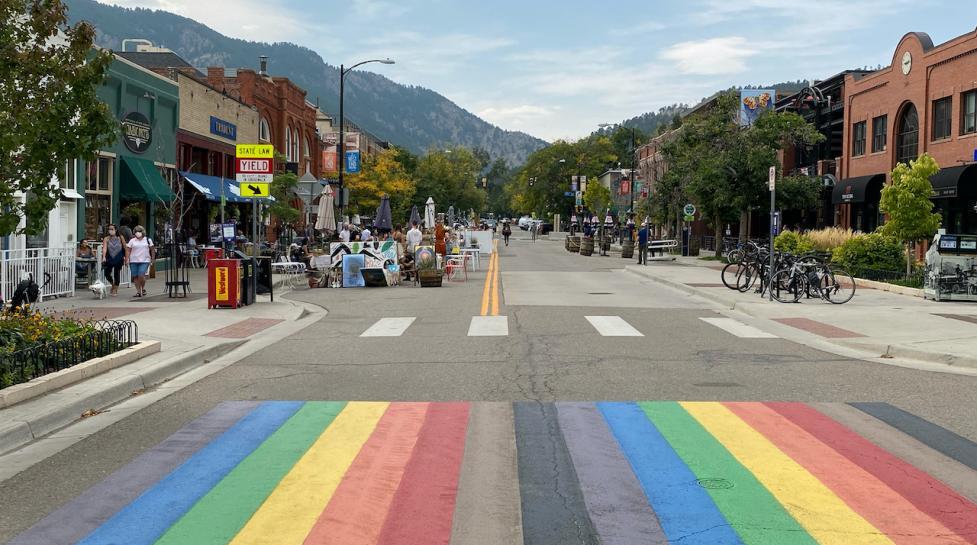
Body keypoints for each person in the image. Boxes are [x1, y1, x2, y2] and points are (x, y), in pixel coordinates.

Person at [126, 225, 155, 297]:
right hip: (133, 260)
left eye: (139, 231)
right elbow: (128, 250)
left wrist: (153, 259)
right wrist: (127, 259)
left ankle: (142, 288)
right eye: (136, 231)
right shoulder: (132, 241)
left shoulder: (148, 240)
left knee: (141, 274)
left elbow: (152, 249)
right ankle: (139, 291)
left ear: (142, 232)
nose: (137, 233)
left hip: (145, 260)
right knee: (135, 276)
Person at [101, 224, 126, 296]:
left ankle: (115, 289)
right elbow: (104, 248)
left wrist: (126, 257)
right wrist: (104, 257)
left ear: (116, 230)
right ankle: (112, 284)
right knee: (107, 272)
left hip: (119, 257)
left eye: (112, 229)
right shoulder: (106, 238)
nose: (110, 231)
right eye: (109, 229)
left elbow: (125, 247)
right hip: (109, 257)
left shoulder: (120, 237)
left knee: (116, 273)